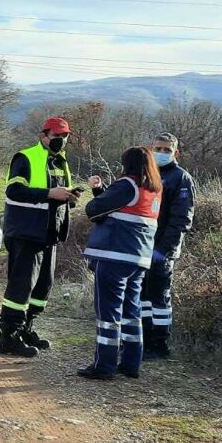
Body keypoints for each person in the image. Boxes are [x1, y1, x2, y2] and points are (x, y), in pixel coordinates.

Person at [0, 117, 79, 357]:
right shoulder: (25, 157)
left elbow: (57, 197)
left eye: (65, 137)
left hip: (49, 234)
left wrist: (69, 197)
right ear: (44, 136)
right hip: (26, 232)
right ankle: (8, 337)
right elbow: (14, 191)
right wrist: (49, 193)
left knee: (43, 286)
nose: (61, 141)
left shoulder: (61, 162)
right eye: (56, 136)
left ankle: (25, 329)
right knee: (22, 286)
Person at [77, 146, 162, 380]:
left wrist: (98, 193)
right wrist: (101, 191)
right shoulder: (154, 189)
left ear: (128, 164)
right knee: (131, 312)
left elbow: (94, 211)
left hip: (114, 256)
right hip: (139, 260)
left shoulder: (127, 184)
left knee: (108, 312)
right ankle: (130, 363)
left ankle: (104, 365)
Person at [140, 132, 196, 360]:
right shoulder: (146, 174)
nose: (161, 153)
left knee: (159, 298)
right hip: (142, 246)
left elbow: (182, 220)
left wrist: (163, 250)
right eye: (158, 149)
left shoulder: (181, 179)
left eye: (167, 150)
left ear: (176, 153)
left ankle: (159, 344)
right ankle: (142, 338)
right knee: (142, 296)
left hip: (162, 250)